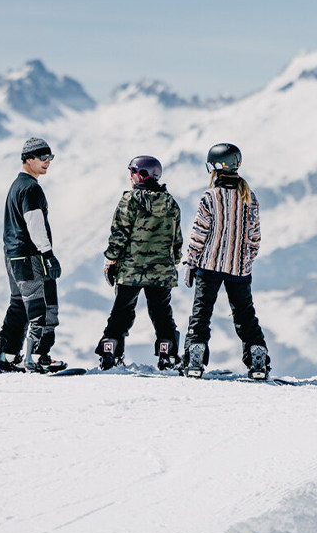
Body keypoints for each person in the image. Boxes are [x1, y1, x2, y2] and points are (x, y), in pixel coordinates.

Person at [182, 143, 269, 380]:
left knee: (201, 314)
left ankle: (194, 358)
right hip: (239, 268)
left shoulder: (210, 196)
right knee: (245, 315)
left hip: (209, 265)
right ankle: (257, 357)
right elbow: (255, 236)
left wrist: (191, 261)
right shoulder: (249, 197)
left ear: (217, 168)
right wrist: (247, 260)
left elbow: (200, 233)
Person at [96, 156, 183, 370]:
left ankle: (110, 350)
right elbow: (176, 240)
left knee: (121, 311)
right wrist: (173, 263)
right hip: (161, 270)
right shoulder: (171, 203)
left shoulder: (130, 200)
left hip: (130, 270)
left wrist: (111, 260)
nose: (130, 176)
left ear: (142, 174)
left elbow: (118, 234)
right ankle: (167, 353)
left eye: (133, 172)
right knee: (161, 313)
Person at [0, 137, 67, 373]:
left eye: (51, 157)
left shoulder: (16, 185)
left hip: (13, 256)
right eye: (43, 158)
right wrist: (48, 254)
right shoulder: (30, 188)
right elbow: (34, 223)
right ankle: (37, 357)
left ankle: (7, 355)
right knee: (43, 305)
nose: (48, 162)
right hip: (31, 255)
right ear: (28, 160)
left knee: (18, 305)